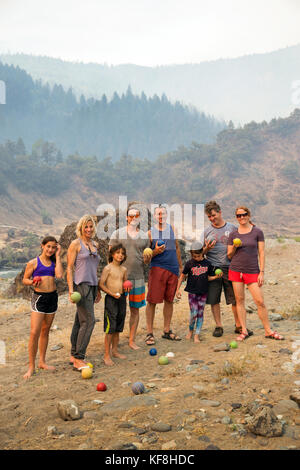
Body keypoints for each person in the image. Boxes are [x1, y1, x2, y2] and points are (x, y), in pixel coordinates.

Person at [227, 206, 284, 341]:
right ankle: (244, 330)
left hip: (253, 271)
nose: (241, 217)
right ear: (236, 218)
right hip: (236, 270)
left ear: (249, 215)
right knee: (240, 301)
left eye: (244, 214)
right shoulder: (233, 234)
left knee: (260, 301)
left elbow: (262, 253)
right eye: (239, 216)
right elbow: (229, 255)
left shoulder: (257, 232)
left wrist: (262, 272)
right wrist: (235, 246)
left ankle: (268, 330)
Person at [109, 206, 151, 350]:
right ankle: (115, 341)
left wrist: (147, 258)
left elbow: (145, 261)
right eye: (131, 216)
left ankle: (131, 340)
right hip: (118, 279)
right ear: (127, 217)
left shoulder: (145, 236)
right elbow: (110, 256)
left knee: (135, 310)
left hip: (138, 278)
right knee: (117, 311)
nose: (133, 218)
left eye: (136, 216)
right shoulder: (117, 234)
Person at [22, 236, 63, 379]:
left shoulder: (54, 262)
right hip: (39, 299)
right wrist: (32, 281)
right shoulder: (33, 262)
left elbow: (59, 275)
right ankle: (31, 367)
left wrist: (58, 256)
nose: (51, 250)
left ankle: (42, 362)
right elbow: (25, 279)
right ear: (42, 246)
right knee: (34, 332)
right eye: (49, 247)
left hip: (53, 297)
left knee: (46, 331)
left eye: (53, 247)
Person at [203, 200, 244, 337]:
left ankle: (238, 325)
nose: (212, 219)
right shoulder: (207, 231)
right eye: (209, 217)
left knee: (235, 299)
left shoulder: (232, 228)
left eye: (214, 215)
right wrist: (206, 249)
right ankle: (218, 326)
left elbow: (240, 248)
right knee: (214, 300)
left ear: (220, 212)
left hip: (230, 267)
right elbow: (200, 253)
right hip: (213, 268)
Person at [67, 215, 101, 371]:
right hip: (81, 286)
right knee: (89, 321)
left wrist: (98, 289)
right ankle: (79, 358)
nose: (88, 229)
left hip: (93, 286)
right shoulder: (75, 244)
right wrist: (70, 290)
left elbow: (95, 268)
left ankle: (74, 355)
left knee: (79, 321)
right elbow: (69, 268)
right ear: (80, 227)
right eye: (85, 227)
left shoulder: (95, 244)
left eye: (91, 226)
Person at [145, 205, 183, 345]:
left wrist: (180, 266)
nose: (161, 216)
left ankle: (166, 331)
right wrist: (155, 251)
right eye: (158, 214)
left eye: (163, 214)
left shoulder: (173, 229)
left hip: (172, 269)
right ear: (155, 216)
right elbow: (146, 256)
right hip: (157, 269)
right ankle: (149, 333)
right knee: (152, 301)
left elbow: (177, 247)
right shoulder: (150, 233)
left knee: (169, 300)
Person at [175, 241, 222, 343]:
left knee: (200, 313)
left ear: (202, 253)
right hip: (192, 292)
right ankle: (190, 331)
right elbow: (182, 276)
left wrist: (215, 277)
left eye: (199, 256)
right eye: (194, 256)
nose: (197, 258)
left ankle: (197, 334)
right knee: (194, 313)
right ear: (192, 255)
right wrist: (177, 290)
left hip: (203, 292)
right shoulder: (189, 263)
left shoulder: (207, 264)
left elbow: (208, 277)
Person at [99, 244, 131, 366]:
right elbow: (101, 284)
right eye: (117, 253)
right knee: (110, 327)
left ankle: (115, 350)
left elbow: (125, 283)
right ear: (112, 254)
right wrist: (112, 294)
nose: (120, 255)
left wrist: (127, 289)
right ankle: (106, 355)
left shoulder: (124, 270)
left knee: (118, 325)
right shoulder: (108, 268)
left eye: (122, 253)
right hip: (111, 299)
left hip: (121, 299)